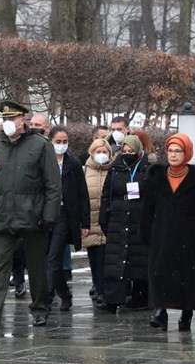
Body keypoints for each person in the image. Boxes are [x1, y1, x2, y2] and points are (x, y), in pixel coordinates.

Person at [0, 100, 61, 328]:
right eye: (5, 119)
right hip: (4, 215)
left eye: (12, 119)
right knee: (0, 264)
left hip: (33, 216)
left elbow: (53, 184)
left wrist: (48, 216)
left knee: (36, 265)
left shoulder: (40, 145)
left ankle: (40, 308)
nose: (8, 123)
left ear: (23, 120)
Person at [143, 133, 195, 331]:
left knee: (187, 276)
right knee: (160, 273)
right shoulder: (157, 177)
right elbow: (148, 208)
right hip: (162, 234)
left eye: (178, 151)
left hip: (189, 236)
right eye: (170, 151)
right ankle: (160, 310)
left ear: (187, 153)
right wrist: (146, 231)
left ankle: (186, 313)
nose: (173, 155)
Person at [99, 135, 152, 312]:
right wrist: (104, 218)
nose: (128, 153)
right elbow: (106, 195)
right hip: (117, 218)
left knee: (139, 259)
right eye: (125, 150)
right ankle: (112, 298)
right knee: (115, 260)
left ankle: (141, 296)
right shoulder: (115, 169)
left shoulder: (147, 169)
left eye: (131, 151)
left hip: (139, 218)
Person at [49, 126, 89, 311]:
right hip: (45, 214)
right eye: (58, 141)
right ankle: (59, 293)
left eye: (65, 142)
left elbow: (82, 194)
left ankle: (54, 295)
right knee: (48, 259)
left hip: (64, 214)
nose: (62, 145)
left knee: (54, 257)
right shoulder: (43, 161)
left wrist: (84, 222)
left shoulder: (73, 164)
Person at [83, 138, 111, 306]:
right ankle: (98, 288)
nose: (101, 155)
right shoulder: (84, 171)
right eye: (98, 152)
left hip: (108, 223)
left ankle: (105, 292)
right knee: (94, 259)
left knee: (106, 259)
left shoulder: (114, 170)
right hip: (91, 222)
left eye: (104, 152)